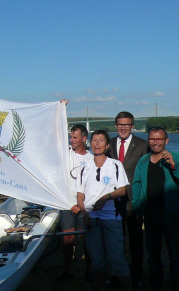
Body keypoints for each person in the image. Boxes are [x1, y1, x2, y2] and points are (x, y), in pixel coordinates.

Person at [132, 127, 179, 291]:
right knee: (153, 255)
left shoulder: (175, 157)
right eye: (152, 139)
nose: (155, 142)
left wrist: (174, 164)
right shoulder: (144, 161)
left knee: (175, 254)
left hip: (171, 216)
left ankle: (177, 284)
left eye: (159, 139)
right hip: (151, 217)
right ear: (148, 140)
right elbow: (137, 185)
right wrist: (137, 209)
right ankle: (156, 284)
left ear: (166, 141)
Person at [76, 130, 132, 291]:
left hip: (111, 218)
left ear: (107, 145)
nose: (97, 144)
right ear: (90, 144)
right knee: (98, 261)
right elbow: (80, 195)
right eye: (94, 140)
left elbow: (122, 190)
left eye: (101, 141)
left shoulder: (115, 165)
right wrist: (83, 212)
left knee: (117, 260)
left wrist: (105, 197)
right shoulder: (84, 168)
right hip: (91, 220)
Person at [107, 111, 149, 290]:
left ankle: (136, 274)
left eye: (127, 124)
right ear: (115, 126)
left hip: (133, 201)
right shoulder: (108, 144)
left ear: (132, 125)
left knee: (135, 240)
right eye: (120, 124)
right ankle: (118, 273)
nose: (123, 127)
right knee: (116, 240)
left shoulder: (142, 145)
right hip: (113, 202)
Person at [57, 124, 94, 283]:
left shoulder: (91, 158)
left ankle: (89, 269)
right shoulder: (65, 155)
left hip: (84, 206)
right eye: (70, 137)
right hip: (67, 204)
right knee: (68, 239)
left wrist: (83, 206)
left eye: (75, 137)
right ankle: (67, 269)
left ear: (84, 138)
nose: (71, 140)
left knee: (87, 238)